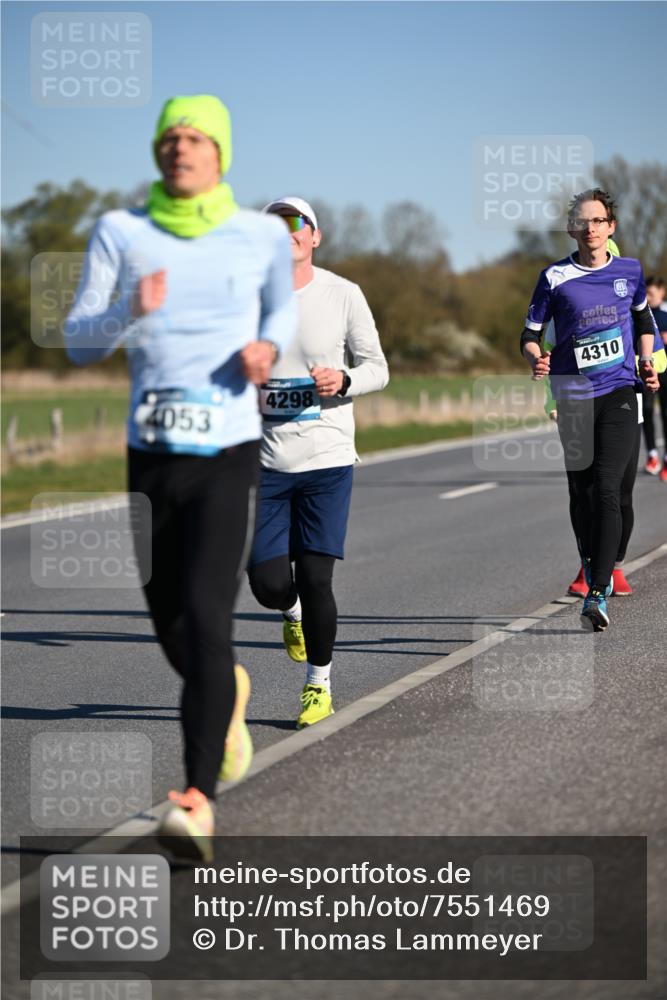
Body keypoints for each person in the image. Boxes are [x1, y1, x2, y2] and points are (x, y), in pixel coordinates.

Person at [64, 95, 296, 860]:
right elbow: (76, 342)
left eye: (194, 137)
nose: (179, 148)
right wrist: (127, 309)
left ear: (219, 152)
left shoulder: (259, 235)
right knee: (170, 622)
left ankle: (196, 799)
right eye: (169, 137)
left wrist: (266, 347)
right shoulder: (121, 231)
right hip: (152, 452)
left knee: (204, 611)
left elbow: (278, 314)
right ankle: (224, 691)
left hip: (226, 450)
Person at [247, 196, 389, 727]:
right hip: (266, 460)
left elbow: (379, 367)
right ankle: (290, 614)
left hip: (327, 455)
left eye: (294, 223)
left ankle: (319, 683)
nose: (284, 232)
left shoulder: (343, 294)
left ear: (314, 236)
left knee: (315, 574)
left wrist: (346, 379)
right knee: (265, 582)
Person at [522, 188, 658, 631]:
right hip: (573, 395)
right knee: (581, 494)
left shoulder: (630, 271)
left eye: (597, 221)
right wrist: (534, 356)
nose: (590, 228)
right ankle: (591, 557)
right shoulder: (554, 277)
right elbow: (529, 332)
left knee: (607, 489)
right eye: (582, 221)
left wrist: (645, 359)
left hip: (619, 390)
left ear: (610, 227)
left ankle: (597, 592)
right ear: (571, 229)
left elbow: (643, 321)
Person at [642, 277, 667, 480]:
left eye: (651, 293)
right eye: (646, 293)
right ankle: (652, 455)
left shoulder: (666, 314)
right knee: (647, 412)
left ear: (661, 292)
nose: (648, 297)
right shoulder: (641, 315)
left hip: (666, 373)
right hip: (648, 373)